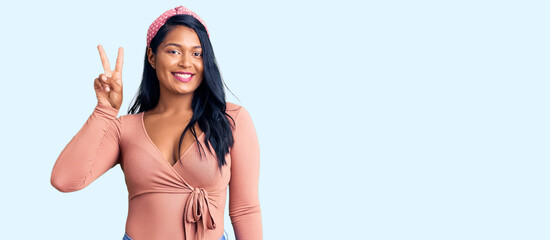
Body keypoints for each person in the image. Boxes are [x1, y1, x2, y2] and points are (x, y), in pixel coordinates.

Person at [50, 5, 262, 240]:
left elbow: (245, 210)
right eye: (173, 51)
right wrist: (105, 110)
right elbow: (64, 180)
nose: (186, 63)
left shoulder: (233, 120)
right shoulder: (125, 129)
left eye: (197, 53)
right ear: (152, 56)